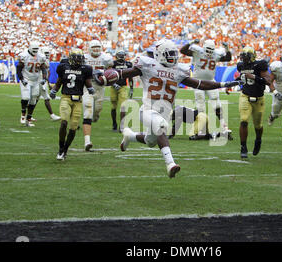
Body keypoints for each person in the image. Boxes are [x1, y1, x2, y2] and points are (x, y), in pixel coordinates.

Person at [99, 39, 241, 178]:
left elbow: (201, 84)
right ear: (160, 54)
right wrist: (109, 76)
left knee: (150, 141)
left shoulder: (179, 71)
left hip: (165, 112)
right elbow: (125, 73)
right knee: (160, 126)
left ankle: (129, 136)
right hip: (148, 109)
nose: (173, 56)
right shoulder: (148, 65)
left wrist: (224, 84)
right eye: (169, 53)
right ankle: (170, 164)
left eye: (174, 53)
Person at [49, 48, 95, 161]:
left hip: (78, 100)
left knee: (73, 127)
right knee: (64, 122)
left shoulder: (86, 69)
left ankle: (65, 150)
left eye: (80, 59)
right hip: (66, 98)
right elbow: (59, 81)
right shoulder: (63, 67)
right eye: (77, 59)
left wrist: (91, 88)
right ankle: (60, 148)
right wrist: (54, 90)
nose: (79, 61)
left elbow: (88, 83)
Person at [180, 39, 232, 136]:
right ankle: (202, 129)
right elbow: (182, 51)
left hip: (210, 82)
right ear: (203, 48)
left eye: (211, 51)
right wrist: (191, 42)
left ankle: (224, 126)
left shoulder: (215, 54)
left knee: (216, 104)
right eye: (207, 50)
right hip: (197, 82)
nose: (209, 53)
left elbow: (228, 58)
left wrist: (227, 48)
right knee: (200, 106)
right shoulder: (197, 52)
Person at [235, 46, 270, 158]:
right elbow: (242, 78)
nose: (243, 59)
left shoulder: (260, 65)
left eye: (246, 57)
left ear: (251, 56)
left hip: (259, 98)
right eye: (243, 57)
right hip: (245, 96)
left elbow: (268, 81)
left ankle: (258, 140)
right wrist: (232, 84)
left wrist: (254, 77)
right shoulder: (241, 66)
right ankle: (243, 147)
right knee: (244, 120)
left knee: (258, 125)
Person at [82, 40, 114, 151]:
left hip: (99, 87)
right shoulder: (84, 58)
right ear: (90, 48)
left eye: (98, 47)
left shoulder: (106, 58)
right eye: (94, 47)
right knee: (88, 109)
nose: (96, 49)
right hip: (87, 86)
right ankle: (87, 141)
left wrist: (105, 78)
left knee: (97, 109)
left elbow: (111, 71)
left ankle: (95, 117)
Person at [16, 41, 48, 127]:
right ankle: (23, 114)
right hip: (26, 78)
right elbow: (19, 68)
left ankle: (28, 119)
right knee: (26, 97)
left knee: (33, 99)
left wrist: (44, 78)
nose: (35, 51)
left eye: (37, 49)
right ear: (30, 48)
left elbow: (43, 68)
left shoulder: (41, 56)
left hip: (36, 80)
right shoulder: (24, 55)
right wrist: (22, 79)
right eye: (34, 49)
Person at [111, 50, 133, 132]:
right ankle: (114, 124)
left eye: (122, 55)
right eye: (119, 55)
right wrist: (113, 83)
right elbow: (108, 74)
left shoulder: (128, 64)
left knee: (123, 106)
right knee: (113, 106)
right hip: (114, 87)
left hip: (123, 86)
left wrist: (131, 87)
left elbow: (131, 76)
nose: (121, 57)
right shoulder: (113, 64)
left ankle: (122, 126)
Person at [36, 46, 60, 121]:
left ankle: (28, 116)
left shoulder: (46, 60)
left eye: (48, 53)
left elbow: (46, 73)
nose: (47, 55)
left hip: (43, 81)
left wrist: (48, 83)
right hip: (39, 81)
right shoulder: (40, 60)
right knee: (46, 98)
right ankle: (52, 115)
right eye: (46, 53)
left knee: (35, 99)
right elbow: (43, 73)